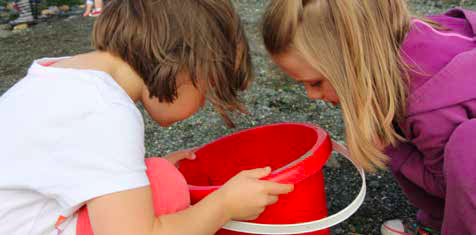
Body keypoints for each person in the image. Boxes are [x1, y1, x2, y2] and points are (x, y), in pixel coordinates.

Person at [0, 1, 294, 235]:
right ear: (186, 65)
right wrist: (224, 205)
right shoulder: (105, 110)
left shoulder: (62, 75)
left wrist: (137, 173)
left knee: (155, 176)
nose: (201, 103)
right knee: (165, 189)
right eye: (207, 90)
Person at [261, 1, 476, 235]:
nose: (311, 95)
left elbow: (452, 186)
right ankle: (437, 221)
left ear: (356, 59)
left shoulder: (428, 105)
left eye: (316, 83)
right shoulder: (401, 42)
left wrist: (393, 149)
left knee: (466, 148)